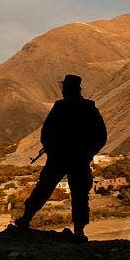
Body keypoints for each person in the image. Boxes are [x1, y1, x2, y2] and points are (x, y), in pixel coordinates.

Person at [11, 74, 107, 242]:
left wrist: (52, 149)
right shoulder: (88, 108)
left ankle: (26, 219)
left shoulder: (61, 107)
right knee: (79, 194)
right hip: (76, 159)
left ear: (69, 90)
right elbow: (101, 136)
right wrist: (88, 153)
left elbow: (46, 132)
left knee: (45, 189)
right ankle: (78, 231)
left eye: (66, 88)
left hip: (61, 158)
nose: (64, 91)